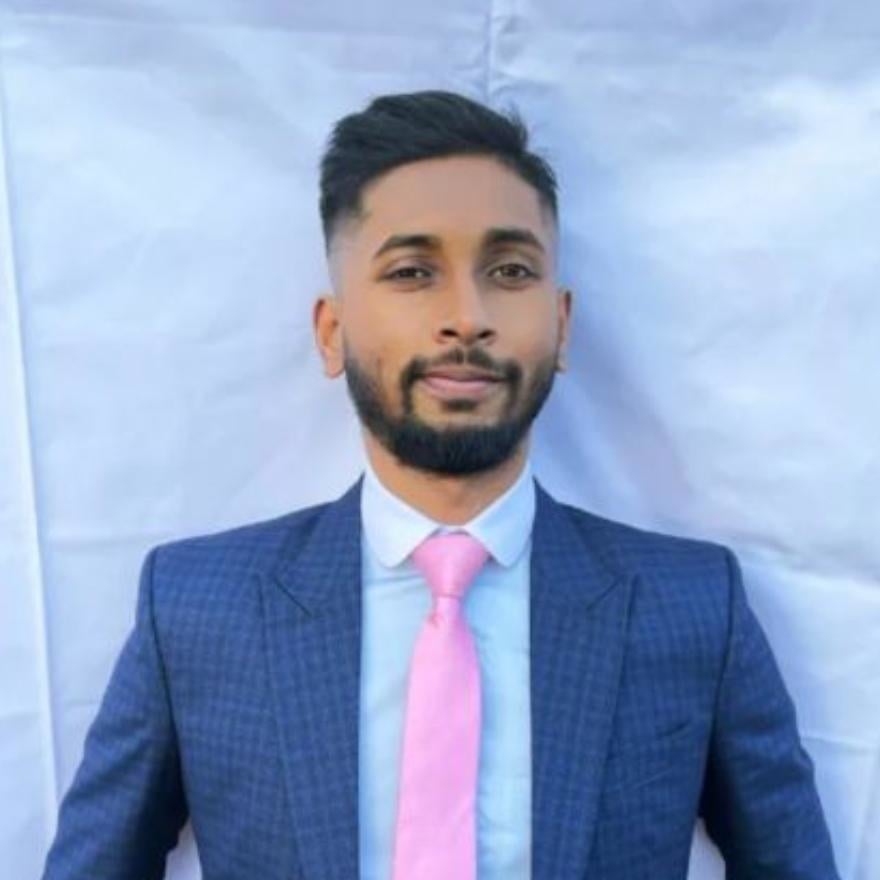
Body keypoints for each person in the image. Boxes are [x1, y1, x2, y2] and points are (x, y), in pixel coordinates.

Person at [42, 90, 839, 880]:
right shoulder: (196, 607)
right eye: (413, 271)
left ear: (561, 325)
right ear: (333, 330)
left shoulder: (692, 606)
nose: (467, 315)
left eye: (510, 269)